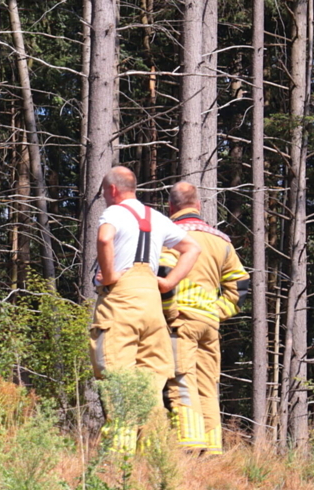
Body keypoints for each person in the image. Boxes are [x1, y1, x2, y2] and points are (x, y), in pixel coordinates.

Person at [89, 166, 200, 454]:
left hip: (121, 301)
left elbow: (104, 238)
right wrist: (168, 282)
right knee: (152, 377)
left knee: (116, 373)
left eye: (104, 191)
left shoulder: (114, 212)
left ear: (112, 190)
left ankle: (119, 453)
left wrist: (109, 275)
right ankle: (153, 452)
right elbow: (192, 248)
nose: (104, 196)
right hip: (151, 302)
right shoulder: (157, 217)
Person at [160, 181, 249, 456]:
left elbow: (165, 274)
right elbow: (241, 285)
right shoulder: (221, 240)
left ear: (171, 206)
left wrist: (170, 312)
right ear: (198, 206)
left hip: (181, 320)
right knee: (207, 384)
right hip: (209, 324)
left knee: (182, 380)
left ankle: (189, 442)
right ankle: (213, 447)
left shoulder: (172, 235)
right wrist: (218, 312)